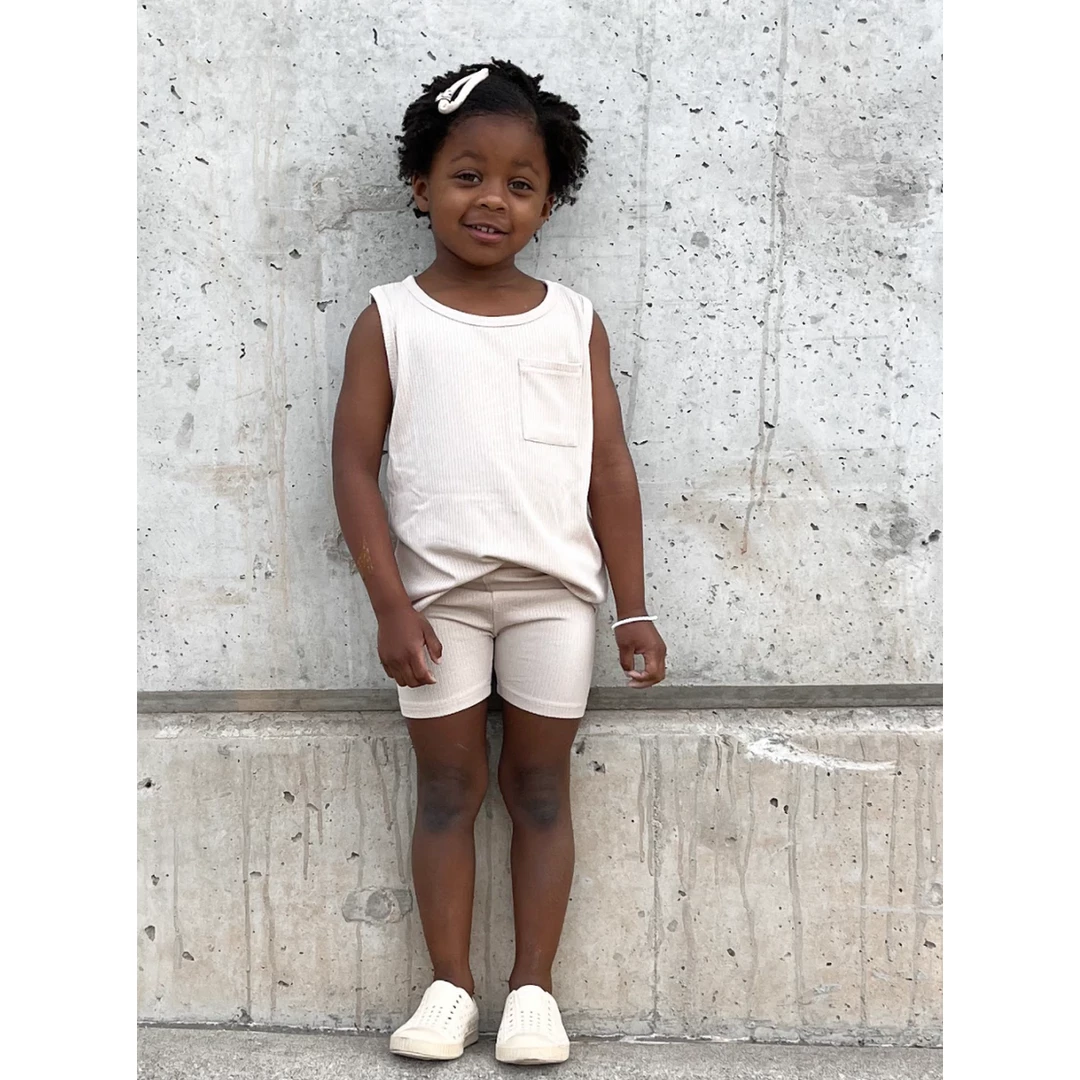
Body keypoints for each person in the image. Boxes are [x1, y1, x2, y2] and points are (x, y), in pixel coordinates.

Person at [331, 59, 667, 1066]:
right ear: (420, 185)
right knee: (447, 790)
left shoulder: (573, 319)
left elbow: (610, 468)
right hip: (435, 605)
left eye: (521, 183)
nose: (492, 199)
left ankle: (533, 992)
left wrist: (632, 608)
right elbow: (351, 468)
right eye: (467, 174)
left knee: (541, 790)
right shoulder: (391, 318)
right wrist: (390, 605)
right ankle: (448, 989)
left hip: (553, 600)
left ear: (549, 204)